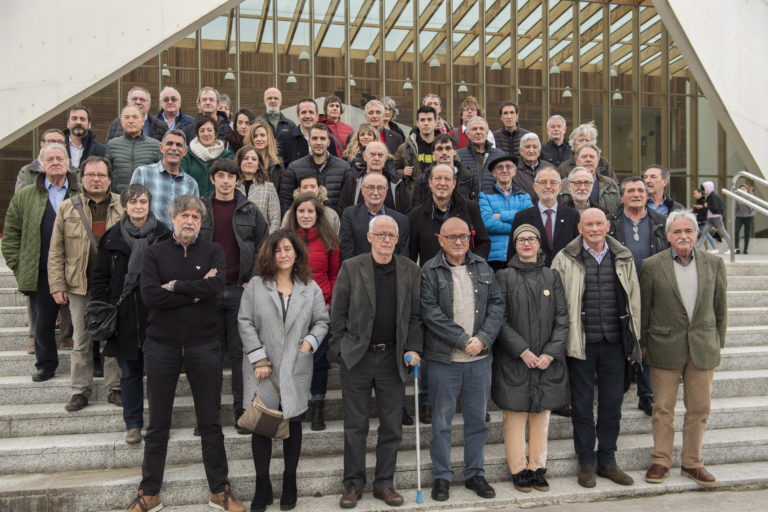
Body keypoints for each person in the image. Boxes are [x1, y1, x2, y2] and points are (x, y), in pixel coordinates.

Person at [127, 195, 245, 512]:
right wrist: (195, 291)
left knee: (210, 423)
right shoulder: (154, 253)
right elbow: (150, 294)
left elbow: (216, 289)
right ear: (173, 217)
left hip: (204, 346)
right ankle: (149, 493)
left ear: (200, 220)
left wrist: (175, 286)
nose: (189, 220)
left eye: (195, 216)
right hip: (161, 346)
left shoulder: (213, 251)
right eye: (184, 215)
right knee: (158, 426)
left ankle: (219, 491)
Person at [331, 215, 422, 509]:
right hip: (357, 357)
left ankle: (384, 483)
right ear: (369, 237)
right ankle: (353, 484)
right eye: (380, 234)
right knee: (355, 425)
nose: (386, 239)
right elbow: (337, 314)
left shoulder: (409, 269)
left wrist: (413, 348)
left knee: (392, 426)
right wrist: (341, 350)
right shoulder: (351, 267)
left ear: (397, 239)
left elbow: (416, 316)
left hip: (392, 357)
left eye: (391, 235)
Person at [239, 229, 330, 512]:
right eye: (278, 250)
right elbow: (244, 322)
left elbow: (322, 322)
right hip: (261, 369)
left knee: (292, 424)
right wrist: (259, 359)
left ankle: (289, 480)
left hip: (295, 366)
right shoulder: (256, 285)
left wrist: (309, 343)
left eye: (288, 249)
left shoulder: (310, 287)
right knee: (261, 427)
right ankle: (262, 484)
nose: (283, 254)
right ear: (270, 254)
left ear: (297, 253)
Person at [550, 208, 641, 489]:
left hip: (614, 344)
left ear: (608, 225)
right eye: (588, 224)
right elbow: (556, 303)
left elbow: (634, 298)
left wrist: (636, 339)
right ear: (580, 227)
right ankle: (586, 462)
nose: (594, 228)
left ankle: (607, 460)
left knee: (612, 405)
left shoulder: (623, 256)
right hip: (581, 344)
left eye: (598, 223)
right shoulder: (564, 258)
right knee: (582, 407)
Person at [420, 217, 505, 502]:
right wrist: (462, 339)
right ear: (440, 239)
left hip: (479, 359)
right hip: (444, 360)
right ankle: (442, 477)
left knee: (477, 421)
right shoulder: (429, 271)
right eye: (452, 237)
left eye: (464, 237)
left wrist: (482, 339)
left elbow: (497, 305)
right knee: (442, 422)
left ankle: (474, 474)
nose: (459, 242)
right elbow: (429, 312)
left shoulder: (483, 267)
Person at [641, 210, 727, 487]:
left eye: (688, 231)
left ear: (696, 233)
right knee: (663, 408)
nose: (683, 236)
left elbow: (720, 309)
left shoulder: (714, 264)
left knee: (699, 408)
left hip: (702, 347)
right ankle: (661, 461)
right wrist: (641, 345)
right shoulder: (652, 265)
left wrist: (717, 342)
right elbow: (644, 309)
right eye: (677, 232)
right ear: (667, 236)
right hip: (664, 346)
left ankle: (692, 463)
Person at [90, 184, 171, 444]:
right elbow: (100, 277)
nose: (138, 207)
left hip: (156, 315)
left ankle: (159, 423)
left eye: (143, 202)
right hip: (124, 317)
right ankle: (133, 424)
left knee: (159, 375)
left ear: (150, 205)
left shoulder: (163, 235)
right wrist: (104, 307)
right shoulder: (112, 237)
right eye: (133, 202)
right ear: (124, 206)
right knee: (130, 375)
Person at [493, 224, 569, 493]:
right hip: (516, 359)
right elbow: (498, 321)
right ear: (515, 245)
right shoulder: (503, 277)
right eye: (521, 239)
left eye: (531, 239)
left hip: (546, 360)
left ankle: (537, 467)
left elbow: (562, 319)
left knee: (541, 416)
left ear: (539, 244)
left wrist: (550, 353)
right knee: (515, 415)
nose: (526, 243)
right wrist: (522, 350)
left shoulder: (552, 277)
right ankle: (518, 469)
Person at [48, 156, 124, 412]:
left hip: (113, 287)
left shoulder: (122, 206)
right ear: (82, 179)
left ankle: (115, 388)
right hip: (80, 285)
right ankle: (80, 390)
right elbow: (56, 250)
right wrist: (57, 284)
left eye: (101, 175)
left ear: (110, 179)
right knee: (81, 340)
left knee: (113, 338)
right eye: (91, 174)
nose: (96, 179)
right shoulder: (69, 208)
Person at [199, 158, 270, 432]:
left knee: (242, 356)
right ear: (213, 178)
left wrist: (251, 280)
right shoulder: (201, 208)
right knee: (210, 356)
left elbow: (264, 247)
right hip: (209, 292)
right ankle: (210, 415)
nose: (226, 181)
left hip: (239, 291)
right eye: (220, 176)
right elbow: (189, 243)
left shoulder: (250, 211)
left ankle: (242, 412)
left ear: (237, 180)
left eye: (231, 176)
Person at [2, 144, 79, 382]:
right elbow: (10, 235)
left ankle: (93, 362)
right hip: (40, 270)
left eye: (60, 158)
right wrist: (20, 264)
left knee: (83, 319)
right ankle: (46, 364)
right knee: (43, 322)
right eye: (50, 159)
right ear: (42, 166)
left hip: (77, 269)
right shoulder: (25, 195)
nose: (55, 162)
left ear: (67, 163)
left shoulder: (81, 192)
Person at [608, 177, 670, 416]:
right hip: (617, 289)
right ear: (621, 196)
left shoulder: (661, 222)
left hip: (652, 291)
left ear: (647, 195)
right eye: (630, 190)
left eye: (640, 190)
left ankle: (647, 395)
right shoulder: (610, 222)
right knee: (618, 341)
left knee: (647, 342)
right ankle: (617, 393)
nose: (636, 194)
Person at [288, 194, 341, 431]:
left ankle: (318, 406)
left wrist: (328, 300)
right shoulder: (285, 240)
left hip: (321, 308)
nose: (306, 216)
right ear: (294, 214)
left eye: (310, 212)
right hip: (292, 308)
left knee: (319, 360)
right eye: (301, 212)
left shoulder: (329, 240)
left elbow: (334, 274)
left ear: (317, 214)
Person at [409, 163, 491, 265]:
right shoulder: (415, 215)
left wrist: (473, 265)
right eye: (438, 178)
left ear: (454, 183)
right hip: (431, 278)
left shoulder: (471, 208)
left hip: (465, 275)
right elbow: (410, 255)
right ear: (430, 182)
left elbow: (483, 243)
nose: (442, 183)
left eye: (447, 179)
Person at [508, 168, 580, 267]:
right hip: (532, 275)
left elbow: (578, 250)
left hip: (565, 274)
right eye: (543, 182)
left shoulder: (573, 215)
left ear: (560, 187)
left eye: (553, 182)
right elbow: (513, 253)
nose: (548, 186)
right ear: (535, 187)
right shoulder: (522, 217)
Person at [130, 129, 200, 228]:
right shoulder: (142, 173)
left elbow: (194, 217)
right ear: (161, 148)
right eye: (169, 143)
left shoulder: (191, 184)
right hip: (148, 239)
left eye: (179, 145)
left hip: (178, 241)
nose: (174, 148)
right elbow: (132, 209)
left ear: (185, 151)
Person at [279, 123, 352, 214]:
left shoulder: (344, 168)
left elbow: (348, 202)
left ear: (328, 142)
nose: (318, 142)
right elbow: (285, 201)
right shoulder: (294, 168)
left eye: (322, 138)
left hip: (333, 224)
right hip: (303, 224)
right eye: (314, 138)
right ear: (309, 142)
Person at [478, 154, 534, 271]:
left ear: (514, 171)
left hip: (519, 255)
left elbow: (530, 221)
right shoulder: (484, 196)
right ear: (494, 173)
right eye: (500, 167)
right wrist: (517, 222)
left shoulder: (524, 196)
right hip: (494, 258)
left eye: (508, 167)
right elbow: (488, 224)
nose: (504, 170)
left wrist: (501, 216)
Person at [340, 172, 411, 261]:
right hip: (358, 272)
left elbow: (403, 258)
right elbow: (347, 252)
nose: (375, 192)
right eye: (370, 187)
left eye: (380, 188)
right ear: (362, 190)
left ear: (386, 191)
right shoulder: (349, 215)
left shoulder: (401, 220)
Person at [337, 141, 411, 214]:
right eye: (372, 154)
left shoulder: (396, 183)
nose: (376, 158)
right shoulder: (352, 181)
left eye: (380, 155)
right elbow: (343, 211)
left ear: (386, 158)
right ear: (365, 157)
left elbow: (405, 212)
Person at [105, 105, 162, 193]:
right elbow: (106, 174)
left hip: (146, 199)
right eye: (127, 117)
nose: (130, 121)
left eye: (135, 117)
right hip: (118, 198)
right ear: (121, 121)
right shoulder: (112, 145)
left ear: (143, 121)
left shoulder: (156, 145)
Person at [411, 133, 476, 208]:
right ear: (433, 153)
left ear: (454, 151)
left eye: (448, 148)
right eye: (439, 149)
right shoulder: (423, 179)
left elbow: (474, 208)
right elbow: (417, 209)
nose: (444, 152)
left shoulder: (469, 177)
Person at [181, 116, 235, 195]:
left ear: (216, 133)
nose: (206, 134)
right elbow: (183, 182)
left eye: (210, 130)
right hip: (193, 203)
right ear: (197, 134)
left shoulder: (227, 156)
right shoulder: (186, 155)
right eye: (202, 131)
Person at [393, 105, 439, 199]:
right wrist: (403, 172)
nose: (426, 123)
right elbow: (392, 170)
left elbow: (457, 166)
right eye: (422, 120)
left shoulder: (446, 147)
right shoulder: (404, 147)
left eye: (429, 120)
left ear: (435, 122)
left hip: (440, 196)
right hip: (414, 199)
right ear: (417, 123)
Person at [277, 98, 338, 166]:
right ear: (298, 116)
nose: (307, 116)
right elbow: (279, 168)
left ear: (317, 116)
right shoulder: (285, 138)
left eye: (311, 112)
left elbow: (333, 167)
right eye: (303, 112)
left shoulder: (328, 140)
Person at [563, 143, 620, 214]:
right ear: (577, 162)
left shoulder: (610, 184)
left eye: (592, 157)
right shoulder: (562, 185)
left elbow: (618, 211)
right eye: (584, 157)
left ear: (597, 161)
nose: (588, 159)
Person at [236, 145, 281, 232]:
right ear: (239, 163)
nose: (249, 162)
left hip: (262, 240)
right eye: (245, 158)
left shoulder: (269, 188)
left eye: (254, 159)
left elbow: (275, 220)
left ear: (259, 166)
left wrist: (268, 242)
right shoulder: (232, 187)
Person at [457, 116, 504, 194]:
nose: (478, 132)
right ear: (468, 134)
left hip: (493, 203)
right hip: (468, 204)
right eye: (474, 129)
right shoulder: (458, 155)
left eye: (481, 128)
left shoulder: (499, 155)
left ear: (487, 133)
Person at [513, 133, 558, 199]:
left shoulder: (550, 168)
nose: (531, 151)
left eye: (535, 147)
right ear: (520, 151)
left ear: (539, 151)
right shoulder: (512, 169)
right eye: (527, 147)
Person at [244, 118, 285, 190]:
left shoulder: (278, 163)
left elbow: (282, 190)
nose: (259, 139)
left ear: (268, 137)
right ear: (250, 139)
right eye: (255, 136)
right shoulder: (244, 161)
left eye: (262, 135)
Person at [695, 180, 733, 254]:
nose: (703, 191)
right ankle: (696, 248)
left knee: (723, 232)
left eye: (704, 188)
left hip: (716, 218)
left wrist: (706, 206)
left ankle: (731, 248)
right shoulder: (709, 196)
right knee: (704, 233)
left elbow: (715, 208)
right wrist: (703, 207)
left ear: (708, 188)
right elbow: (709, 207)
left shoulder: (713, 196)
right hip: (710, 218)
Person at [735, 184, 756, 254]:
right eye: (741, 189)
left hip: (749, 217)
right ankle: (737, 248)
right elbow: (735, 208)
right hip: (739, 216)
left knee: (747, 233)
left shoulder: (752, 197)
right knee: (736, 231)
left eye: (744, 189)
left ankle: (745, 249)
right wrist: (733, 216)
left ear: (747, 190)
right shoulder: (737, 197)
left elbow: (755, 209)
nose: (742, 190)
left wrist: (750, 214)